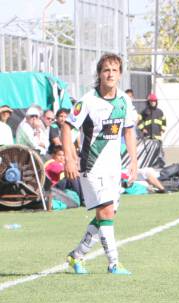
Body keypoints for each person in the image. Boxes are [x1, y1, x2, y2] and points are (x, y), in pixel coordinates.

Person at [63, 53, 138, 275]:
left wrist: (134, 162)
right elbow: (67, 126)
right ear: (99, 74)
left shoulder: (124, 100)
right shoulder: (88, 100)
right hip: (92, 166)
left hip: (114, 167)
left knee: (106, 215)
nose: (110, 74)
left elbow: (129, 131)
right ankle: (114, 263)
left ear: (120, 74)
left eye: (114, 70)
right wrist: (69, 159)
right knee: (105, 213)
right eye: (106, 70)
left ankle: (77, 256)